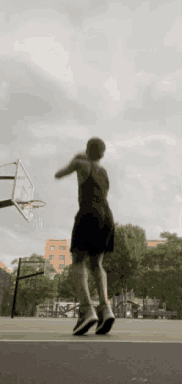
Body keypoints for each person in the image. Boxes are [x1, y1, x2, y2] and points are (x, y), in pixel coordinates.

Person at [55, 137, 115, 335]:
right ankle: (105, 309)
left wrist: (75, 158)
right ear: (102, 154)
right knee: (97, 264)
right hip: (107, 216)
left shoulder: (81, 163)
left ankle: (86, 310)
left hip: (88, 213)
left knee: (78, 262)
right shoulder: (104, 172)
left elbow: (58, 174)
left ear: (87, 150)